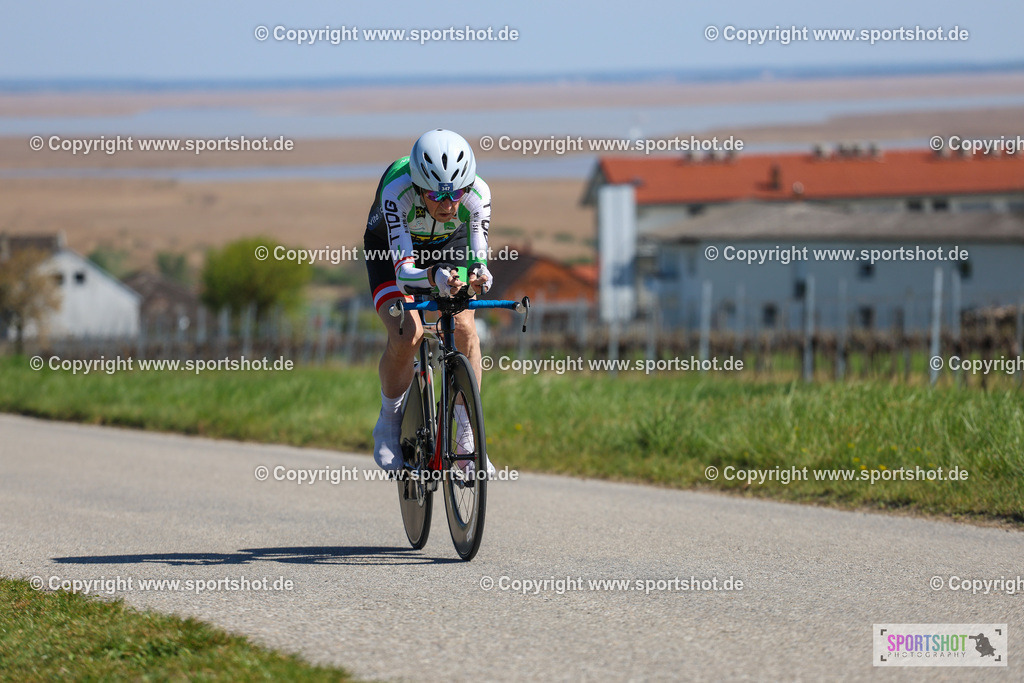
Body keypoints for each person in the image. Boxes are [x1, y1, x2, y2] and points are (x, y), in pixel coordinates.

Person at [363, 129, 495, 475]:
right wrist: (434, 276)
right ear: (420, 185)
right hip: (391, 252)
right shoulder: (397, 190)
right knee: (408, 334)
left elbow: (478, 252)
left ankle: (467, 438)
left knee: (465, 326)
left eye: (456, 194)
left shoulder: (477, 194)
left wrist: (480, 273)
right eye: (436, 195)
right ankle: (389, 424)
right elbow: (405, 271)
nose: (448, 204)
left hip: (449, 245)